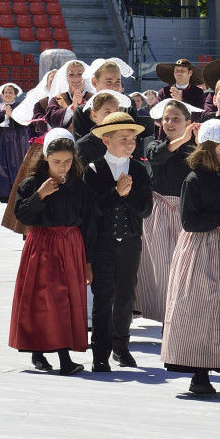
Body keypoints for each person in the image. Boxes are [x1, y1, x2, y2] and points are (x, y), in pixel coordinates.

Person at [161, 119, 220, 395]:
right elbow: (190, 222)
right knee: (199, 306)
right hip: (201, 247)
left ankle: (218, 360)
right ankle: (197, 373)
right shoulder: (194, 179)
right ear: (218, 147)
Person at [8, 128, 95, 377]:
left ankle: (40, 352)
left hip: (70, 246)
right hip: (43, 247)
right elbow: (22, 216)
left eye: (68, 161)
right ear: (46, 157)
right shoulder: (32, 184)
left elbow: (87, 224)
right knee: (48, 300)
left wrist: (88, 261)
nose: (63, 166)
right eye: (57, 161)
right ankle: (63, 358)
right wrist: (39, 196)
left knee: (66, 300)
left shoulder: (79, 186)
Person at [82, 112, 153, 372]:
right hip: (103, 242)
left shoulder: (139, 169)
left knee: (125, 297)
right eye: (123, 138)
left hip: (131, 242)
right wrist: (116, 193)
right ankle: (100, 353)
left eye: (132, 139)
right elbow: (91, 211)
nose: (130, 143)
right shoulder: (93, 169)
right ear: (106, 140)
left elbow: (146, 209)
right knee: (103, 297)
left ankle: (122, 347)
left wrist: (129, 193)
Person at [138, 98, 200, 324]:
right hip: (159, 212)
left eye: (176, 119)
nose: (170, 123)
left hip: (186, 212)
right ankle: (167, 317)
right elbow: (158, 157)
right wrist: (183, 138)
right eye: (166, 118)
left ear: (188, 122)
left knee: (185, 268)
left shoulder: (197, 148)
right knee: (163, 267)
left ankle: (183, 314)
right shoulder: (154, 144)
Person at [0, 82, 25, 201]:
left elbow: (23, 124)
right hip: (0, 138)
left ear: (15, 95)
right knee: (0, 163)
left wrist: (11, 116)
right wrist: (5, 117)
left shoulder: (20, 106)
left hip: (15, 138)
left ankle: (16, 191)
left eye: (10, 92)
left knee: (15, 163)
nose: (8, 94)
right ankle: (2, 192)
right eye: (6, 92)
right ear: (1, 95)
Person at [74, 90, 128, 168]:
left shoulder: (127, 139)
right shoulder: (83, 145)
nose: (113, 116)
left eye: (116, 112)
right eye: (107, 112)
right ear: (94, 115)